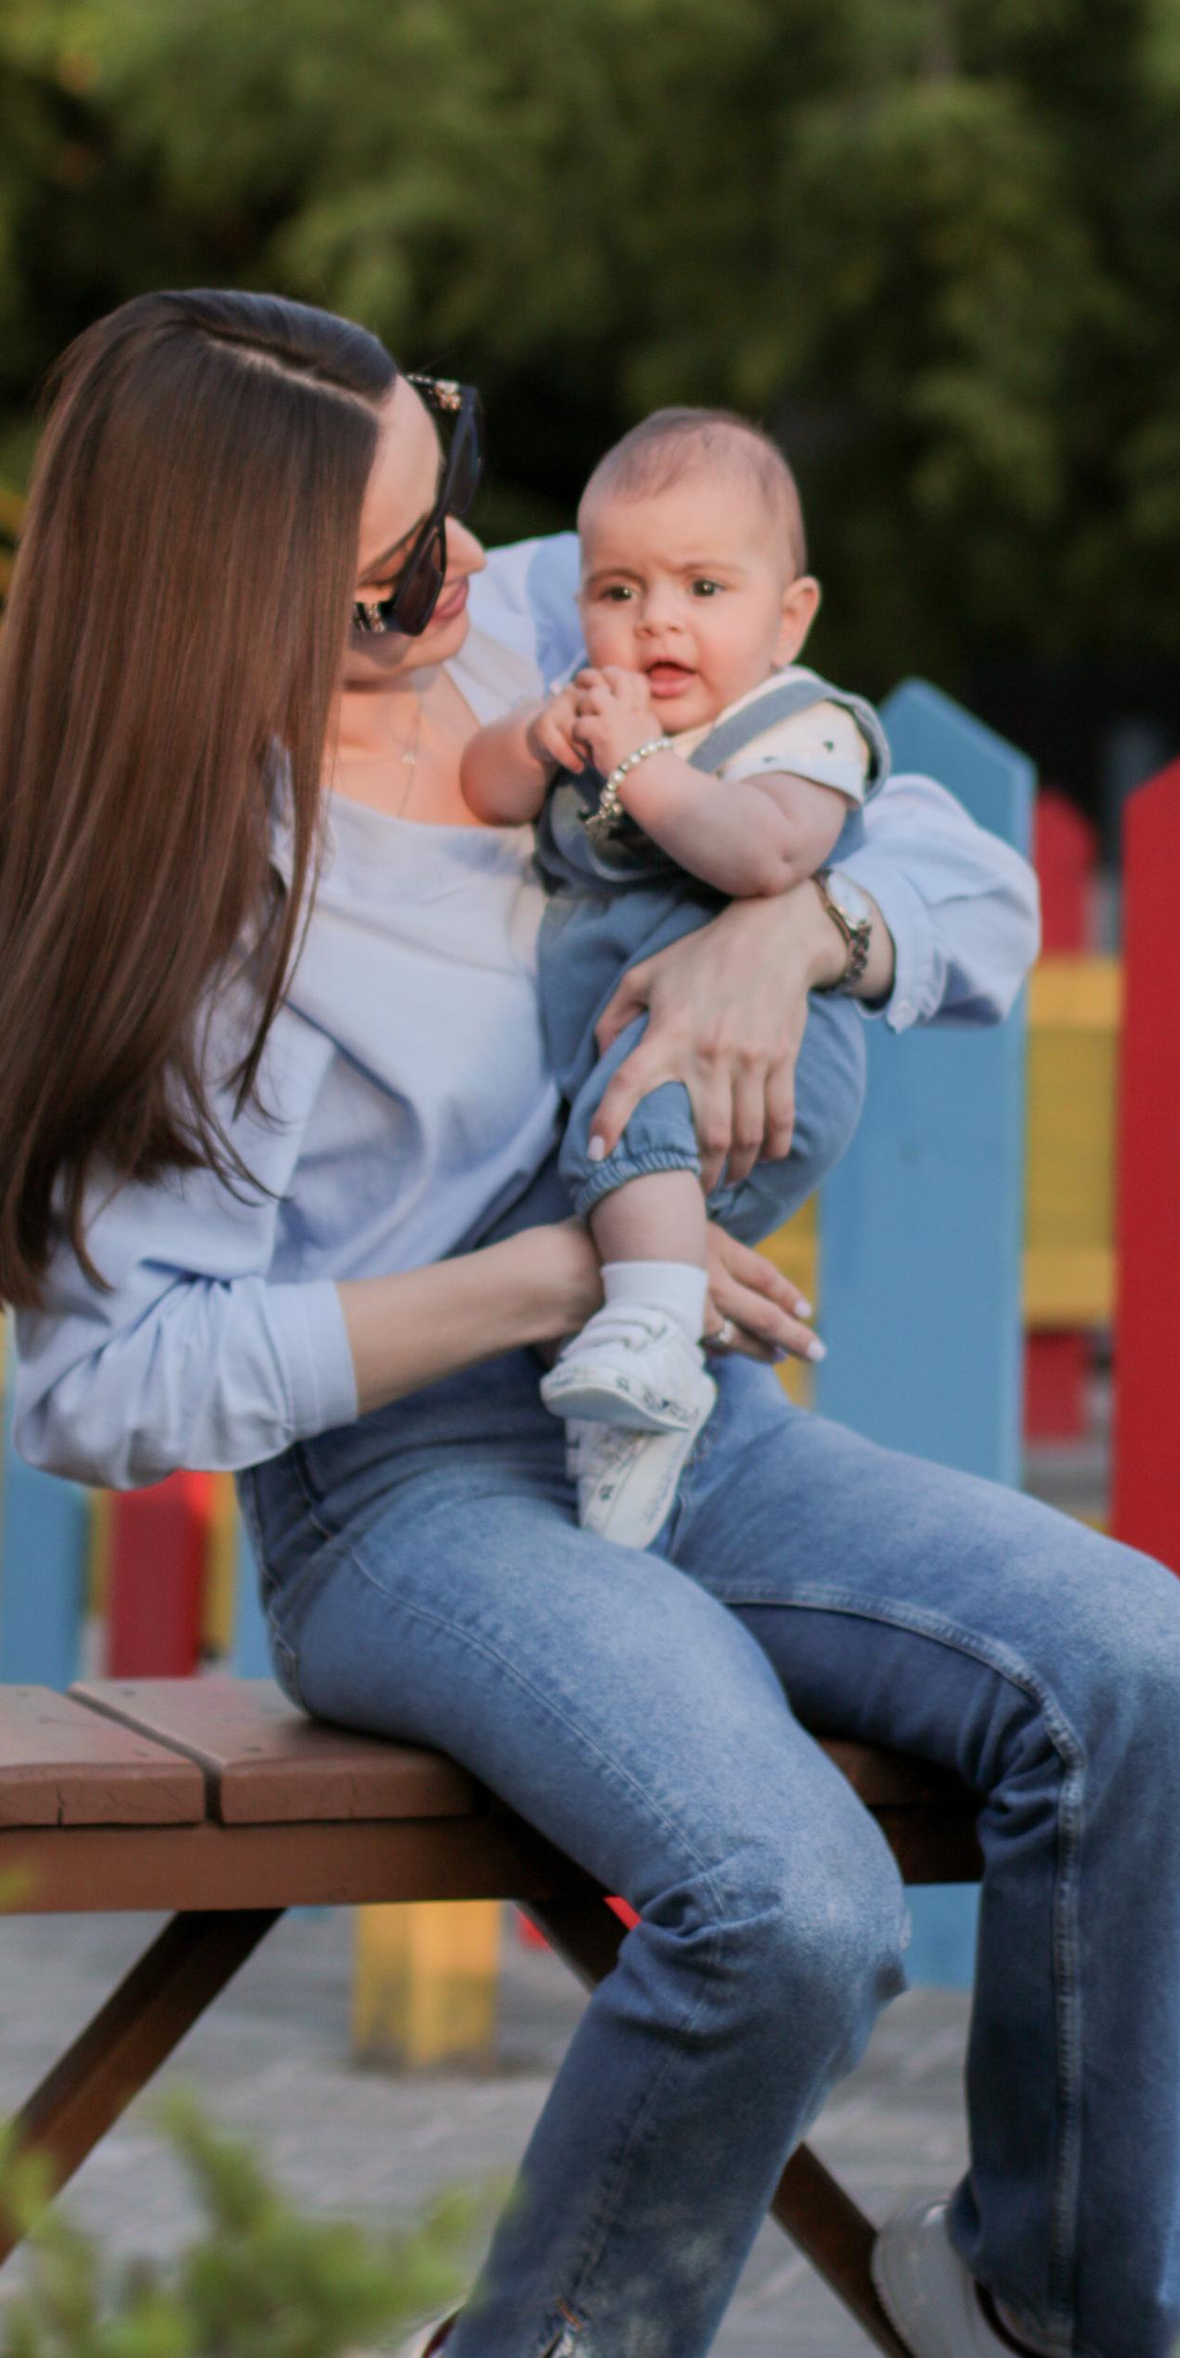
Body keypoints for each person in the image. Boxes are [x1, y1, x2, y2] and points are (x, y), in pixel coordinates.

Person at [0, 290, 1180, 2358]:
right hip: (410, 1491)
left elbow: (964, 869)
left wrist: (782, 927)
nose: (471, 594)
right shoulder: (206, 880)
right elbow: (106, 1388)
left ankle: (1051, 2333)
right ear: (237, 608)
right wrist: (537, 1283)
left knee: (1134, 1662)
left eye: (447, 488)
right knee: (783, 1896)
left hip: (695, 1418)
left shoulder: (566, 611)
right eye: (398, 579)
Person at [460, 405, 888, 1548]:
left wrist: (640, 765)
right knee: (583, 1190)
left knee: (626, 1135)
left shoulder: (800, 725)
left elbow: (765, 853)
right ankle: (629, 1428)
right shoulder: (603, 721)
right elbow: (483, 791)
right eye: (618, 592)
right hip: (617, 1069)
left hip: (735, 1062)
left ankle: (652, 1326)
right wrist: (532, 739)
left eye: (705, 590)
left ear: (788, 617)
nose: (658, 621)